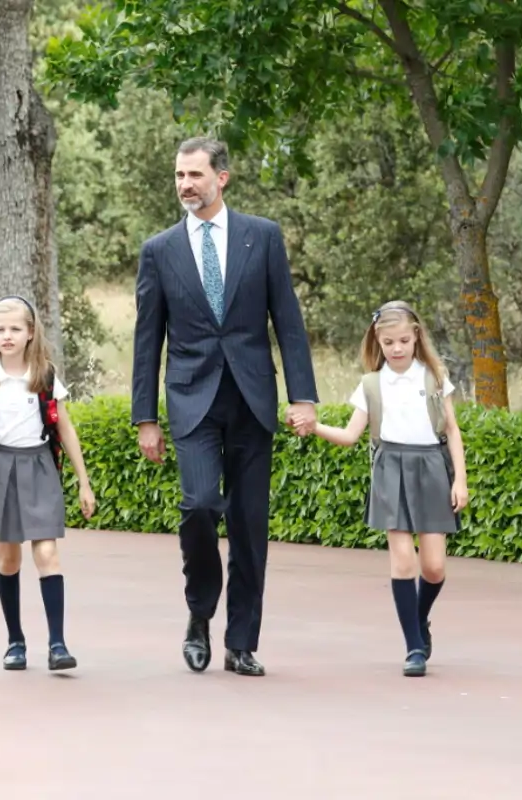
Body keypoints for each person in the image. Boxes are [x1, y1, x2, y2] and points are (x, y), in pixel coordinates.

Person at [131, 136, 318, 677]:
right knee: (198, 506)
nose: (185, 185)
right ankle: (199, 613)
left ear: (222, 178)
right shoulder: (159, 250)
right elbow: (147, 342)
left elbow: (288, 321)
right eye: (179, 176)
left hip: (253, 398)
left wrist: (302, 396)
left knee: (248, 524)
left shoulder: (262, 238)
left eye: (194, 175)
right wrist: (146, 417)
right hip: (191, 400)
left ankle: (240, 643)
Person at [310, 300, 469, 677]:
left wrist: (459, 480)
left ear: (416, 337)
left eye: (402, 340)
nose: (396, 349)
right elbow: (350, 435)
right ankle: (414, 647)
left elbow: (452, 431)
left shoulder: (433, 377)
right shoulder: (371, 385)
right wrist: (313, 426)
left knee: (432, 567)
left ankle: (419, 618)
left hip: (431, 467)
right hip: (390, 470)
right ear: (377, 343)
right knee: (403, 561)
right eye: (388, 343)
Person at [0, 296, 96, 671]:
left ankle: (58, 644)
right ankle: (15, 641)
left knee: (47, 554)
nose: (7, 336)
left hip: (40, 466)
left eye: (15, 329)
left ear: (30, 333)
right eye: (0, 330)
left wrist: (84, 482)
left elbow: (65, 427)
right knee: (8, 558)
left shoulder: (44, 376)